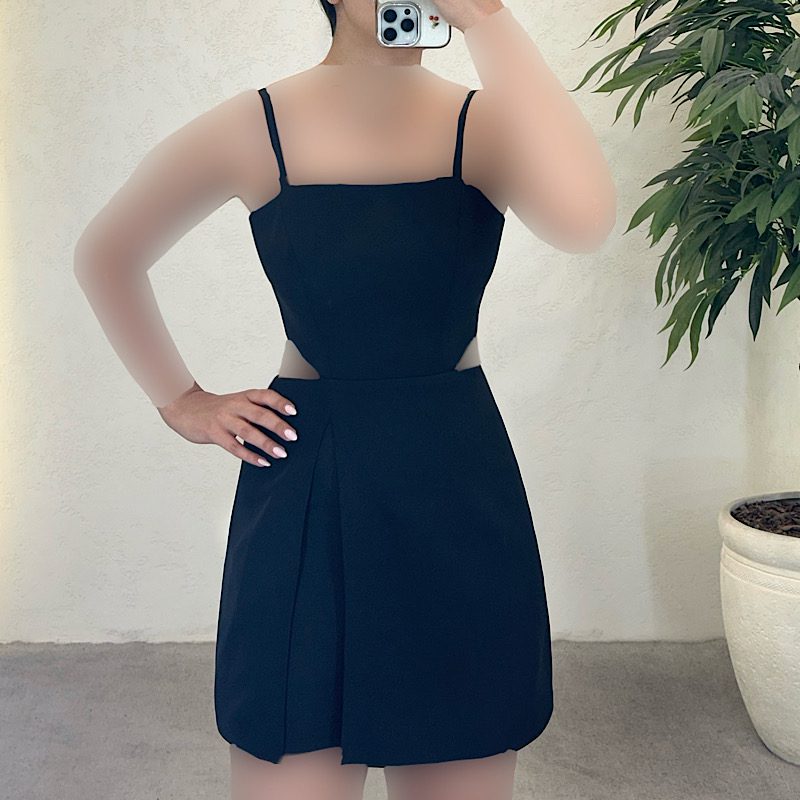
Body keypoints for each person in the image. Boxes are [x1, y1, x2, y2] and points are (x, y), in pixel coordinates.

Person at [73, 1, 616, 798]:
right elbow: (107, 252)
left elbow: (585, 221)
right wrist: (180, 400)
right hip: (306, 481)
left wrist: (487, 19)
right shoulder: (255, 124)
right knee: (290, 746)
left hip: (455, 484)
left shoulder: (485, 123)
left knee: (461, 743)